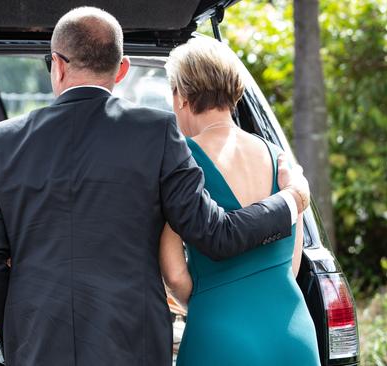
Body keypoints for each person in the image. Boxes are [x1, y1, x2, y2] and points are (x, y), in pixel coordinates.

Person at [0, 7, 310, 366]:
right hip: (133, 344)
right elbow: (214, 233)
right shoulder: (157, 133)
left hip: (36, 346)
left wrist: (20, 327)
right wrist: (290, 200)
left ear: (58, 64)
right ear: (122, 68)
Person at [159, 36, 320, 365]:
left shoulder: (181, 162)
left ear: (181, 96)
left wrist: (210, 299)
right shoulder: (278, 158)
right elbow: (292, 260)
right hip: (294, 334)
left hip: (220, 334)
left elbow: (174, 273)